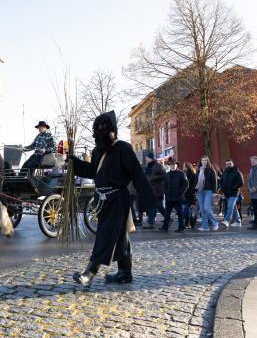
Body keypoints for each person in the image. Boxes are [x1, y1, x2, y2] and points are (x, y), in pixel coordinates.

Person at [69, 111, 156, 287]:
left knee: (105, 235)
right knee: (120, 237)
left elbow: (137, 174)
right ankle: (125, 272)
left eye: (104, 129)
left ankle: (89, 273)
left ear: (112, 131)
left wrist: (147, 200)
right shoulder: (97, 151)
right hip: (102, 201)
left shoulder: (123, 148)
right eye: (98, 129)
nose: (100, 133)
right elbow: (92, 171)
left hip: (118, 200)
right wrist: (74, 163)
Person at [142, 152, 167, 229]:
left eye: (147, 157)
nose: (146, 159)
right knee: (158, 206)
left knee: (155, 206)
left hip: (157, 190)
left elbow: (164, 175)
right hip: (150, 190)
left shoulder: (158, 166)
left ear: (151, 158)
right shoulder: (147, 166)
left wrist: (153, 178)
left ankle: (150, 222)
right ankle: (168, 218)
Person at [163, 160, 189, 232]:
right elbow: (164, 185)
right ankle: (165, 227)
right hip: (169, 197)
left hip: (178, 197)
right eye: (171, 165)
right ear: (169, 165)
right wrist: (166, 192)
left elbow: (186, 184)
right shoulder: (167, 174)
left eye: (174, 164)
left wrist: (180, 192)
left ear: (177, 165)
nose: (173, 166)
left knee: (180, 213)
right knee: (167, 213)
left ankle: (181, 227)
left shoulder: (181, 173)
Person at [196, 155, 219, 231]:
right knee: (202, 209)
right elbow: (196, 180)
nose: (204, 162)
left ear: (208, 161)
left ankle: (215, 223)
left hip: (208, 191)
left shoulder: (211, 169)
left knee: (206, 208)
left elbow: (215, 181)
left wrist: (214, 192)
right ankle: (205, 226)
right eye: (203, 160)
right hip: (200, 191)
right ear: (201, 161)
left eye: (206, 160)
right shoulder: (199, 170)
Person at [221, 159, 244, 228]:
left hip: (234, 193)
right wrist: (222, 188)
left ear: (233, 164)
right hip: (227, 193)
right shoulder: (224, 173)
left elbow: (241, 182)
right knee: (233, 208)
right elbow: (222, 182)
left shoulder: (237, 172)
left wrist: (234, 187)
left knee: (230, 206)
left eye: (229, 164)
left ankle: (227, 220)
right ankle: (238, 221)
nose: (228, 165)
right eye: (227, 164)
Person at [182, 162, 197, 229]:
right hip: (185, 194)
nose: (183, 167)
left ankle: (189, 223)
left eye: (184, 166)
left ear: (188, 167)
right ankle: (189, 223)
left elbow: (193, 186)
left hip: (190, 194)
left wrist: (192, 193)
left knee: (187, 209)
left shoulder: (193, 175)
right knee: (187, 209)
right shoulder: (184, 174)